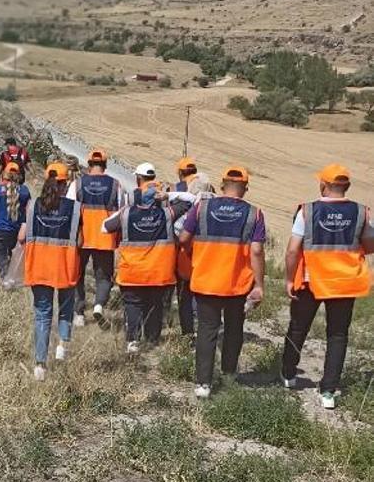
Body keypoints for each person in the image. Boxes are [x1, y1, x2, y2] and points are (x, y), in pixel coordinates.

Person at [282, 164, 374, 410]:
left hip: (311, 281)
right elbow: (370, 245)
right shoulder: (362, 212)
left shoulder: (307, 211)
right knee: (337, 335)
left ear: (322, 184)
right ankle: (328, 392)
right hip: (345, 283)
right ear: (348, 187)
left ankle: (289, 374)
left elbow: (293, 250)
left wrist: (290, 279)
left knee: (298, 328)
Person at [179, 166, 266, 399]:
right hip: (237, 284)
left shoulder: (201, 207)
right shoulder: (254, 214)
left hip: (206, 279)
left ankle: (203, 384)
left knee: (207, 329)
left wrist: (192, 254)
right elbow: (256, 250)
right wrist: (259, 285)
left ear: (222, 185)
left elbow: (184, 238)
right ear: (245, 189)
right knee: (234, 328)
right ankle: (228, 374)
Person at [104, 184, 187, 353]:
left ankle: (133, 340)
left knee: (132, 305)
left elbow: (105, 227)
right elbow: (188, 202)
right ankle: (152, 339)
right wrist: (168, 196)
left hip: (132, 272)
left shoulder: (126, 214)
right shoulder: (167, 214)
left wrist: (122, 212)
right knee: (155, 304)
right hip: (158, 272)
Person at [18, 162, 82, 381]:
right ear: (66, 184)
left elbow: (21, 237)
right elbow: (80, 240)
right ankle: (62, 349)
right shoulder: (75, 208)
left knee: (43, 315)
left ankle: (39, 365)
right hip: (65, 265)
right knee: (65, 308)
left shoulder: (33, 204)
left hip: (39, 266)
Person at [67, 150, 124, 328]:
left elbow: (69, 210)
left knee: (77, 275)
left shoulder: (77, 184)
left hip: (81, 238)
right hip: (105, 238)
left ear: (89, 164)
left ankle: (79, 313)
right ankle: (98, 305)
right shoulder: (116, 185)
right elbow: (122, 213)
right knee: (104, 278)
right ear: (105, 165)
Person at [164, 173, 215, 337]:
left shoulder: (192, 209)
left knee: (184, 299)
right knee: (204, 299)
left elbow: (180, 233)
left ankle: (188, 333)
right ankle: (205, 330)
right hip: (209, 262)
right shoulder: (215, 209)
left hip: (187, 260)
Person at [0, 162, 31, 277]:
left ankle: (4, 276)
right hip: (18, 231)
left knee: (1, 255)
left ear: (4, 174)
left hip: (1, 230)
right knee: (15, 255)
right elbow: (28, 211)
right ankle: (12, 276)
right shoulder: (24, 191)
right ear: (19, 175)